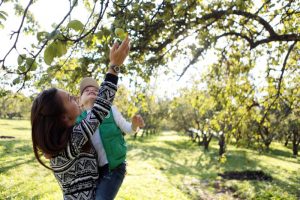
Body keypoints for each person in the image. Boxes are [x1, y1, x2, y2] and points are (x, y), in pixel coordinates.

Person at [31, 36, 130, 199]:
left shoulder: (63, 142)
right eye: (70, 98)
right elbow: (100, 108)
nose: (76, 99)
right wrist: (114, 67)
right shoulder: (71, 142)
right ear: (64, 117)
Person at [78, 77, 145, 200]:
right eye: (86, 90)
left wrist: (135, 125)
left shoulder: (111, 110)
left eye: (96, 90)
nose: (92, 90)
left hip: (114, 167)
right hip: (93, 172)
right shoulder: (78, 120)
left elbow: (128, 129)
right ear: (80, 101)